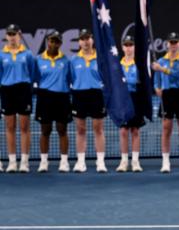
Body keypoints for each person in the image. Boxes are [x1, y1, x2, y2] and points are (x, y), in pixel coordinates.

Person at [153, 32, 179, 173]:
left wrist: (162, 69)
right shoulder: (160, 61)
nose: (173, 45)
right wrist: (157, 87)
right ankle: (165, 162)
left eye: (175, 42)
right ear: (167, 44)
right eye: (171, 42)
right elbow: (157, 79)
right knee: (166, 129)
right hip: (167, 95)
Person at [70, 29, 107, 173]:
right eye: (82, 39)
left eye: (88, 38)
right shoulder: (73, 60)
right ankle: (80, 162)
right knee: (80, 129)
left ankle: (100, 162)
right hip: (79, 94)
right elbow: (72, 78)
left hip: (97, 95)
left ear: (92, 40)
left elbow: (106, 78)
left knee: (98, 128)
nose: (85, 41)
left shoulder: (101, 58)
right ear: (79, 42)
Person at [34, 31, 72, 173]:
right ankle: (44, 162)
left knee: (62, 130)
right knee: (45, 130)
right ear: (47, 42)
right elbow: (35, 78)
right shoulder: (38, 60)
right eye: (51, 41)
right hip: (44, 97)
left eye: (56, 42)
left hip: (62, 97)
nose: (53, 44)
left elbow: (69, 79)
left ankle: (64, 162)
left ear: (60, 44)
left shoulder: (66, 61)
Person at [0, 24, 34, 173]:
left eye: (14, 34)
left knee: (24, 127)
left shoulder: (27, 54)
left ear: (19, 35)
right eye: (10, 34)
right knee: (9, 127)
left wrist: (25, 83)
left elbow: (32, 73)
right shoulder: (1, 55)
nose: (12, 37)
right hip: (7, 90)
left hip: (23, 90)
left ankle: (24, 162)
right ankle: (12, 162)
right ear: (6, 36)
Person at [116, 35, 145, 173]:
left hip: (135, 99)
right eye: (126, 45)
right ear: (122, 47)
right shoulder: (117, 65)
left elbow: (143, 82)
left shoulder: (139, 64)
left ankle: (135, 162)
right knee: (123, 131)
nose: (128, 48)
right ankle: (123, 161)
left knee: (135, 131)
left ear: (134, 47)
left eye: (131, 45)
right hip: (122, 99)